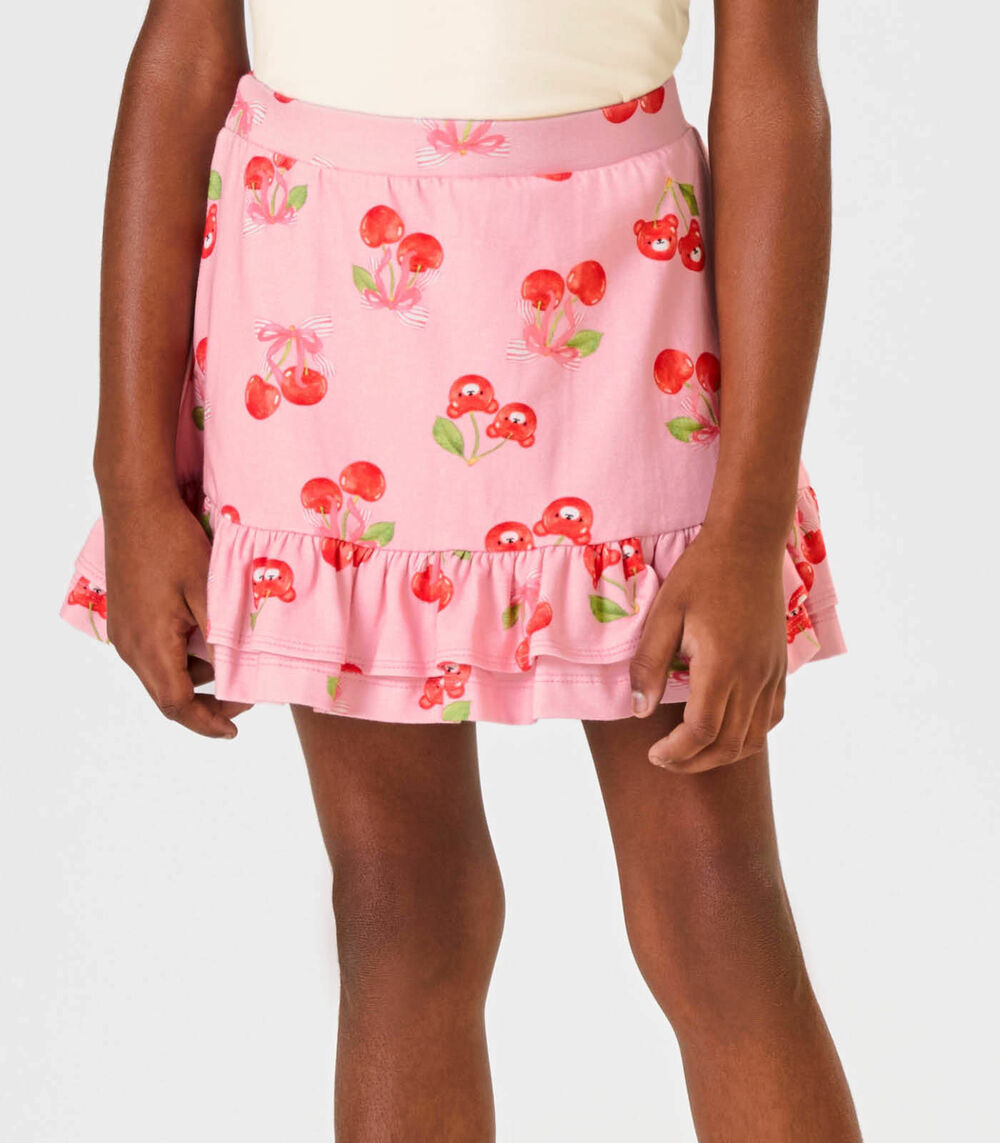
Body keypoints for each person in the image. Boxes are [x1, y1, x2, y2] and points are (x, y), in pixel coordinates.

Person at [60, 0, 861, 1137]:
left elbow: (774, 95)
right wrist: (131, 475)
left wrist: (748, 520)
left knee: (715, 901)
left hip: (624, 322)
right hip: (328, 335)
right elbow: (185, 56)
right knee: (397, 902)